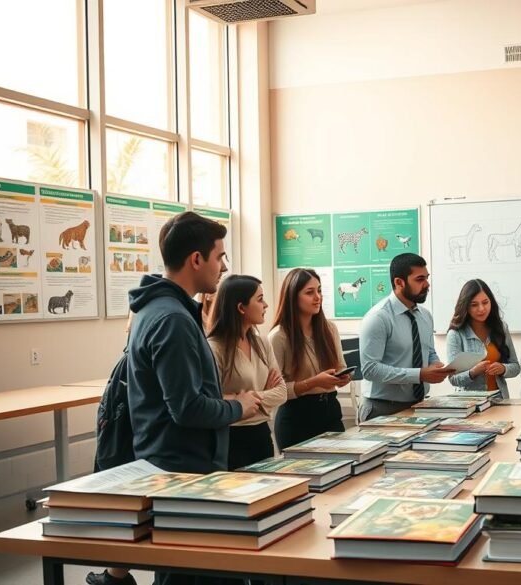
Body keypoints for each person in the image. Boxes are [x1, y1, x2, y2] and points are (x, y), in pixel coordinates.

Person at [124, 211, 260, 585]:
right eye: (219, 257)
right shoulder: (172, 319)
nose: (223, 266)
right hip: (183, 472)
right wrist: (239, 406)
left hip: (183, 468)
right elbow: (186, 407)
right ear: (196, 259)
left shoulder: (165, 310)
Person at [358, 253, 452, 420]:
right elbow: (370, 370)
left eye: (427, 278)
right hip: (382, 409)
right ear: (399, 282)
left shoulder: (425, 316)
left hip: (418, 406)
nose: (427, 284)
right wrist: (420, 375)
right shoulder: (378, 318)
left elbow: (428, 351)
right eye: (419, 279)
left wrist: (435, 364)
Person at [207, 275, 287, 470]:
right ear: (241, 307)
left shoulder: (262, 343)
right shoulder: (214, 348)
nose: (266, 305)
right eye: (259, 299)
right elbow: (212, 400)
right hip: (231, 440)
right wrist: (262, 397)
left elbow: (282, 392)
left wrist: (246, 398)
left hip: (261, 435)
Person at [269, 268, 351, 448]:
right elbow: (274, 391)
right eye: (309, 292)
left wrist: (342, 377)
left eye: (319, 290)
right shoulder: (278, 337)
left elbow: (340, 366)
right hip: (297, 416)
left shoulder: (329, 329)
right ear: (292, 296)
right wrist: (312, 383)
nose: (318, 297)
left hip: (330, 411)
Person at [445, 279, 520, 398]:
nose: (481, 309)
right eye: (474, 305)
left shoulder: (501, 328)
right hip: (470, 404)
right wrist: (473, 372)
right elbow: (453, 379)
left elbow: (515, 367)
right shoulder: (455, 334)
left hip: (500, 401)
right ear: (465, 306)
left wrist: (503, 368)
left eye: (485, 302)